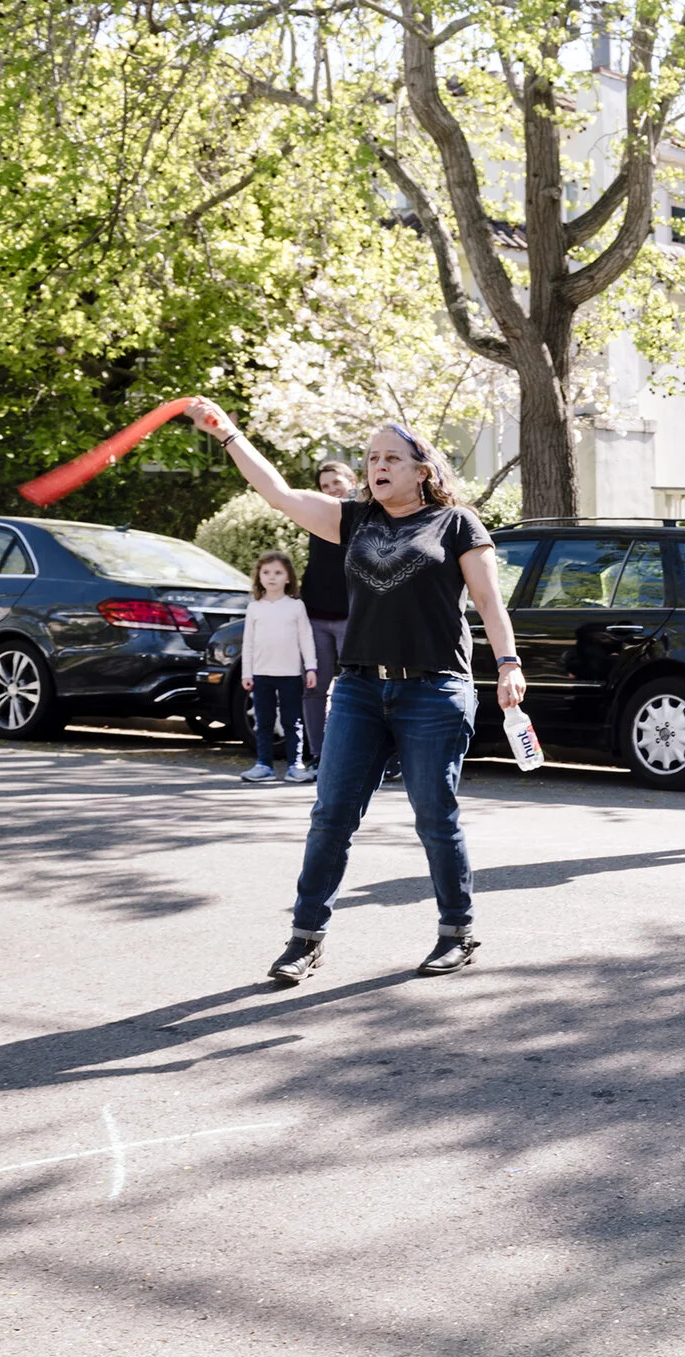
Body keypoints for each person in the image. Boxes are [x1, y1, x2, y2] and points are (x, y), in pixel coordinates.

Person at [185, 398, 528, 981]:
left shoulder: (456, 523)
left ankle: (456, 931)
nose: (378, 466)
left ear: (423, 470)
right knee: (331, 816)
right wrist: (228, 434)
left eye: (392, 457)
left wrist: (508, 664)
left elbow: (490, 604)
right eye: (371, 458)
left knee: (434, 816)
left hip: (435, 689)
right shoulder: (352, 520)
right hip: (358, 690)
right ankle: (304, 939)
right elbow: (278, 493)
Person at [239, 551, 316, 784]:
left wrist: (311, 667)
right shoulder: (254, 608)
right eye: (266, 572)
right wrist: (246, 672)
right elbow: (248, 642)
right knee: (264, 721)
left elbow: (306, 637)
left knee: (292, 722)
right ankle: (264, 765)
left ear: (288, 578)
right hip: (261, 674)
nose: (272, 577)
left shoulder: (296, 606)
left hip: (290, 674)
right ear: (259, 577)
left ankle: (295, 765)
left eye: (278, 572)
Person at [300, 459, 355, 769]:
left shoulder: (366, 516)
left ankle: (359, 754)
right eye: (325, 486)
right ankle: (318, 755)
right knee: (314, 687)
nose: (332, 489)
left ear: (352, 481)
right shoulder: (315, 516)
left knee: (356, 688)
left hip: (352, 617)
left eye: (337, 482)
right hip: (316, 616)